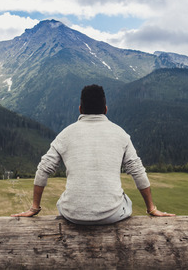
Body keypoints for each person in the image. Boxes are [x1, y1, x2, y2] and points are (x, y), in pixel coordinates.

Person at [11, 84, 175, 224]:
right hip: (113, 216)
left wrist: (34, 207)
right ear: (105, 109)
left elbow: (43, 169)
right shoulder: (121, 134)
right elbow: (137, 171)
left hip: (72, 215)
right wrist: (151, 208)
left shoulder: (65, 134)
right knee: (126, 200)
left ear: (80, 109)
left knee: (63, 199)